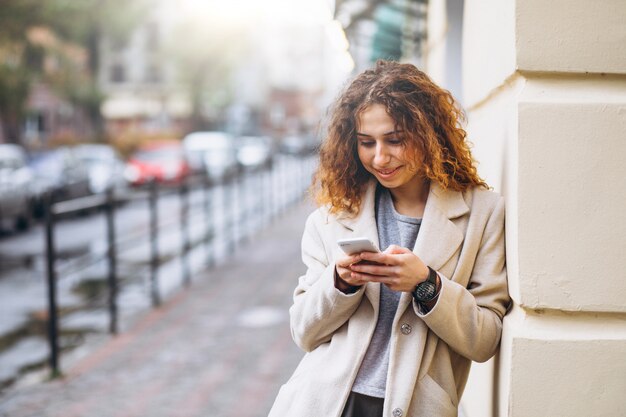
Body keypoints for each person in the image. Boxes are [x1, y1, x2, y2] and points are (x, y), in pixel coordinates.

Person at [268, 60, 511, 417]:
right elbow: (303, 332)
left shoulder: (481, 213)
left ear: (428, 134)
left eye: (395, 140)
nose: (380, 157)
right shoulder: (333, 216)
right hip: (323, 404)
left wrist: (426, 285)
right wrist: (340, 283)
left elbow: (485, 339)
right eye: (367, 143)